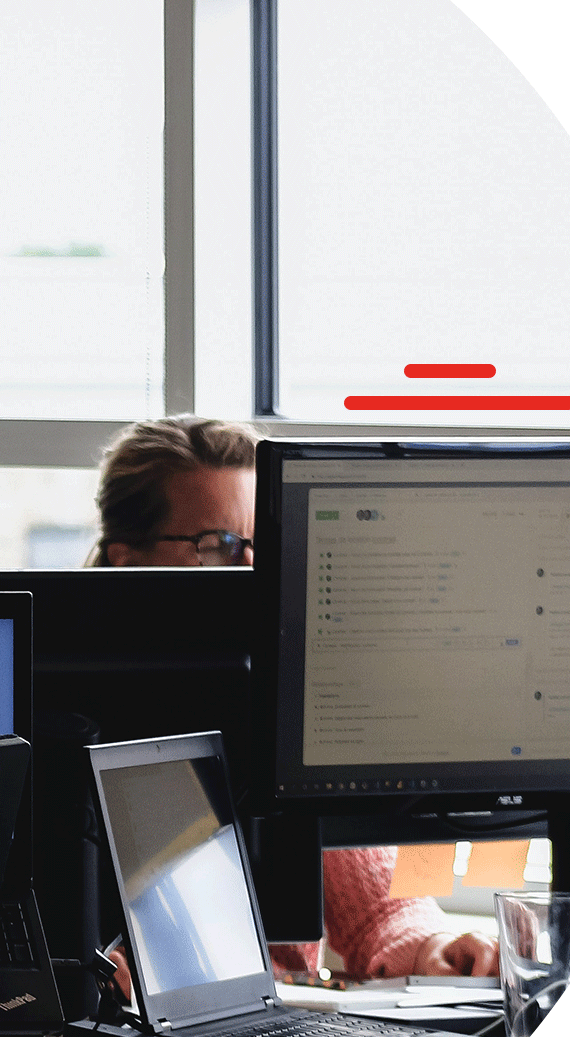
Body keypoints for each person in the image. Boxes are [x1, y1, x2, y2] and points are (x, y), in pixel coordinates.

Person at [87, 416, 498, 981]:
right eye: (222, 547)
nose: (257, 572)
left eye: (268, 545)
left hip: (270, 1035)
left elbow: (379, 906)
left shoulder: (293, 698)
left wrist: (434, 945)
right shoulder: (62, 715)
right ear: (128, 560)